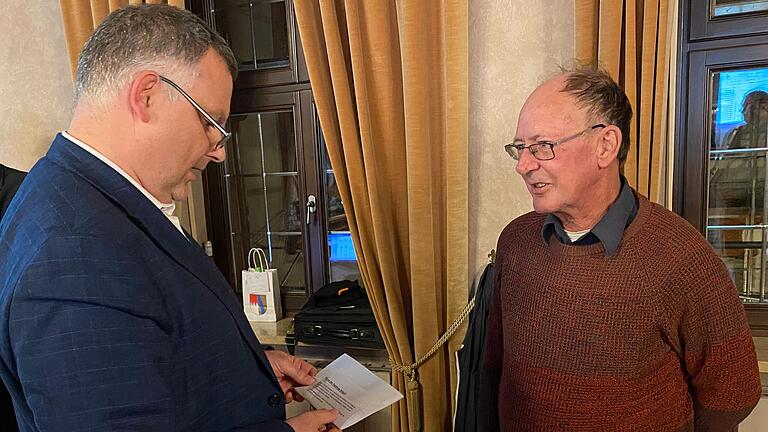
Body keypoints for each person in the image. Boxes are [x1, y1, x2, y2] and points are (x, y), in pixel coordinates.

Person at [0, 5, 338, 431]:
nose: (219, 149)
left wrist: (245, 371)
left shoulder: (91, 200)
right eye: (211, 122)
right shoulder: (74, 250)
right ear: (147, 96)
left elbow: (151, 357)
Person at [480, 66, 762, 431]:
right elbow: (493, 365)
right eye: (520, 148)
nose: (523, 165)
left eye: (542, 147)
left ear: (605, 145)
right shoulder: (515, 242)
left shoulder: (681, 257)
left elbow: (732, 393)